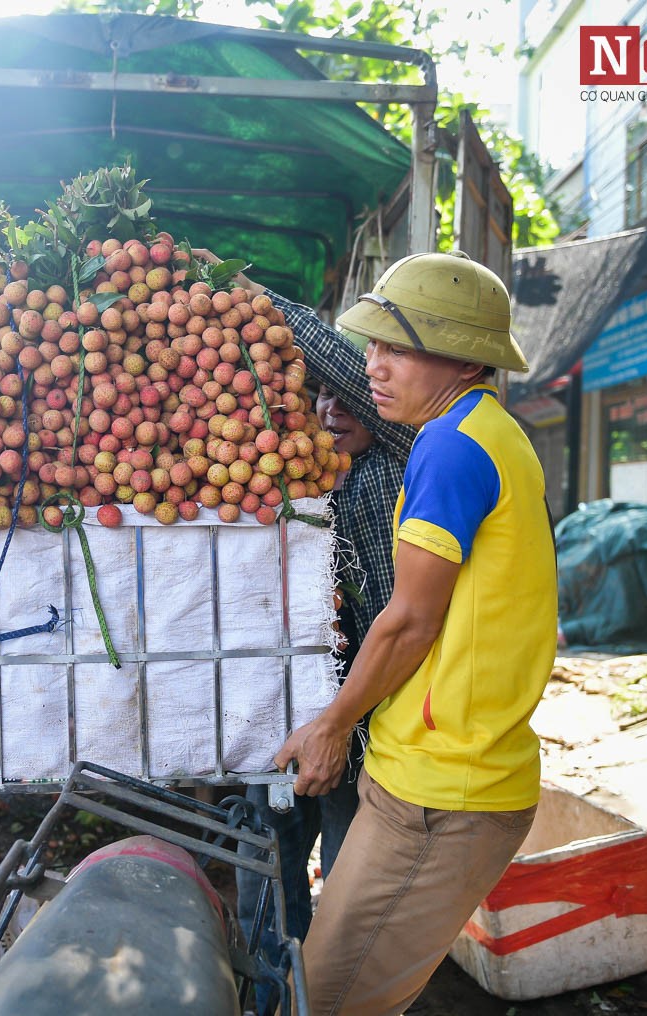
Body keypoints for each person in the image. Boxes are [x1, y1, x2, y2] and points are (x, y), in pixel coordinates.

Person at [263, 250, 557, 1015]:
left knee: (325, 1000)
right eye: (373, 347)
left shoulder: (451, 448)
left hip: (443, 791)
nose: (374, 368)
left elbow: (411, 620)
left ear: (462, 355)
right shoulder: (482, 431)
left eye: (396, 348)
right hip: (422, 774)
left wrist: (333, 725)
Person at [233, 385, 412, 998]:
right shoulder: (287, 474)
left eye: (350, 400)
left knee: (346, 888)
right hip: (276, 714)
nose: (332, 411)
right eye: (322, 397)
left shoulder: (387, 478)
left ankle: (324, 998)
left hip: (354, 726)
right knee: (269, 865)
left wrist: (339, 724)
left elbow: (396, 624)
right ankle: (275, 1000)